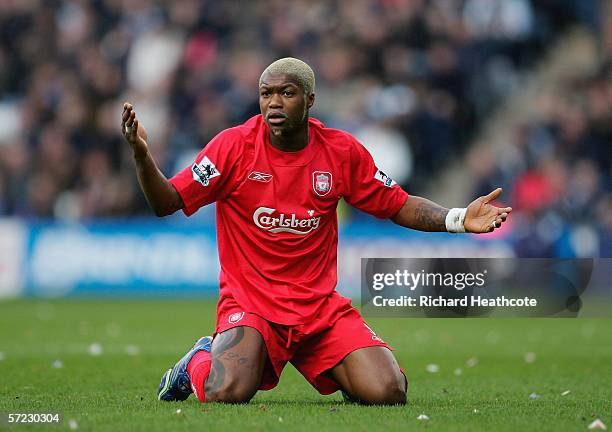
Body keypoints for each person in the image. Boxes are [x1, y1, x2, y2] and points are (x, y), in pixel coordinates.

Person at [121, 57, 511, 405]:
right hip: (252, 305)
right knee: (228, 391)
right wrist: (142, 158)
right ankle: (198, 361)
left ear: (309, 100)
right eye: (266, 94)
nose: (274, 103)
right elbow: (167, 202)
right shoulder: (233, 148)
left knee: (388, 391)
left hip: (318, 307)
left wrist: (458, 219)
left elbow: (397, 203)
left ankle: (340, 368)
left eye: (286, 93)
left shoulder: (340, 152)